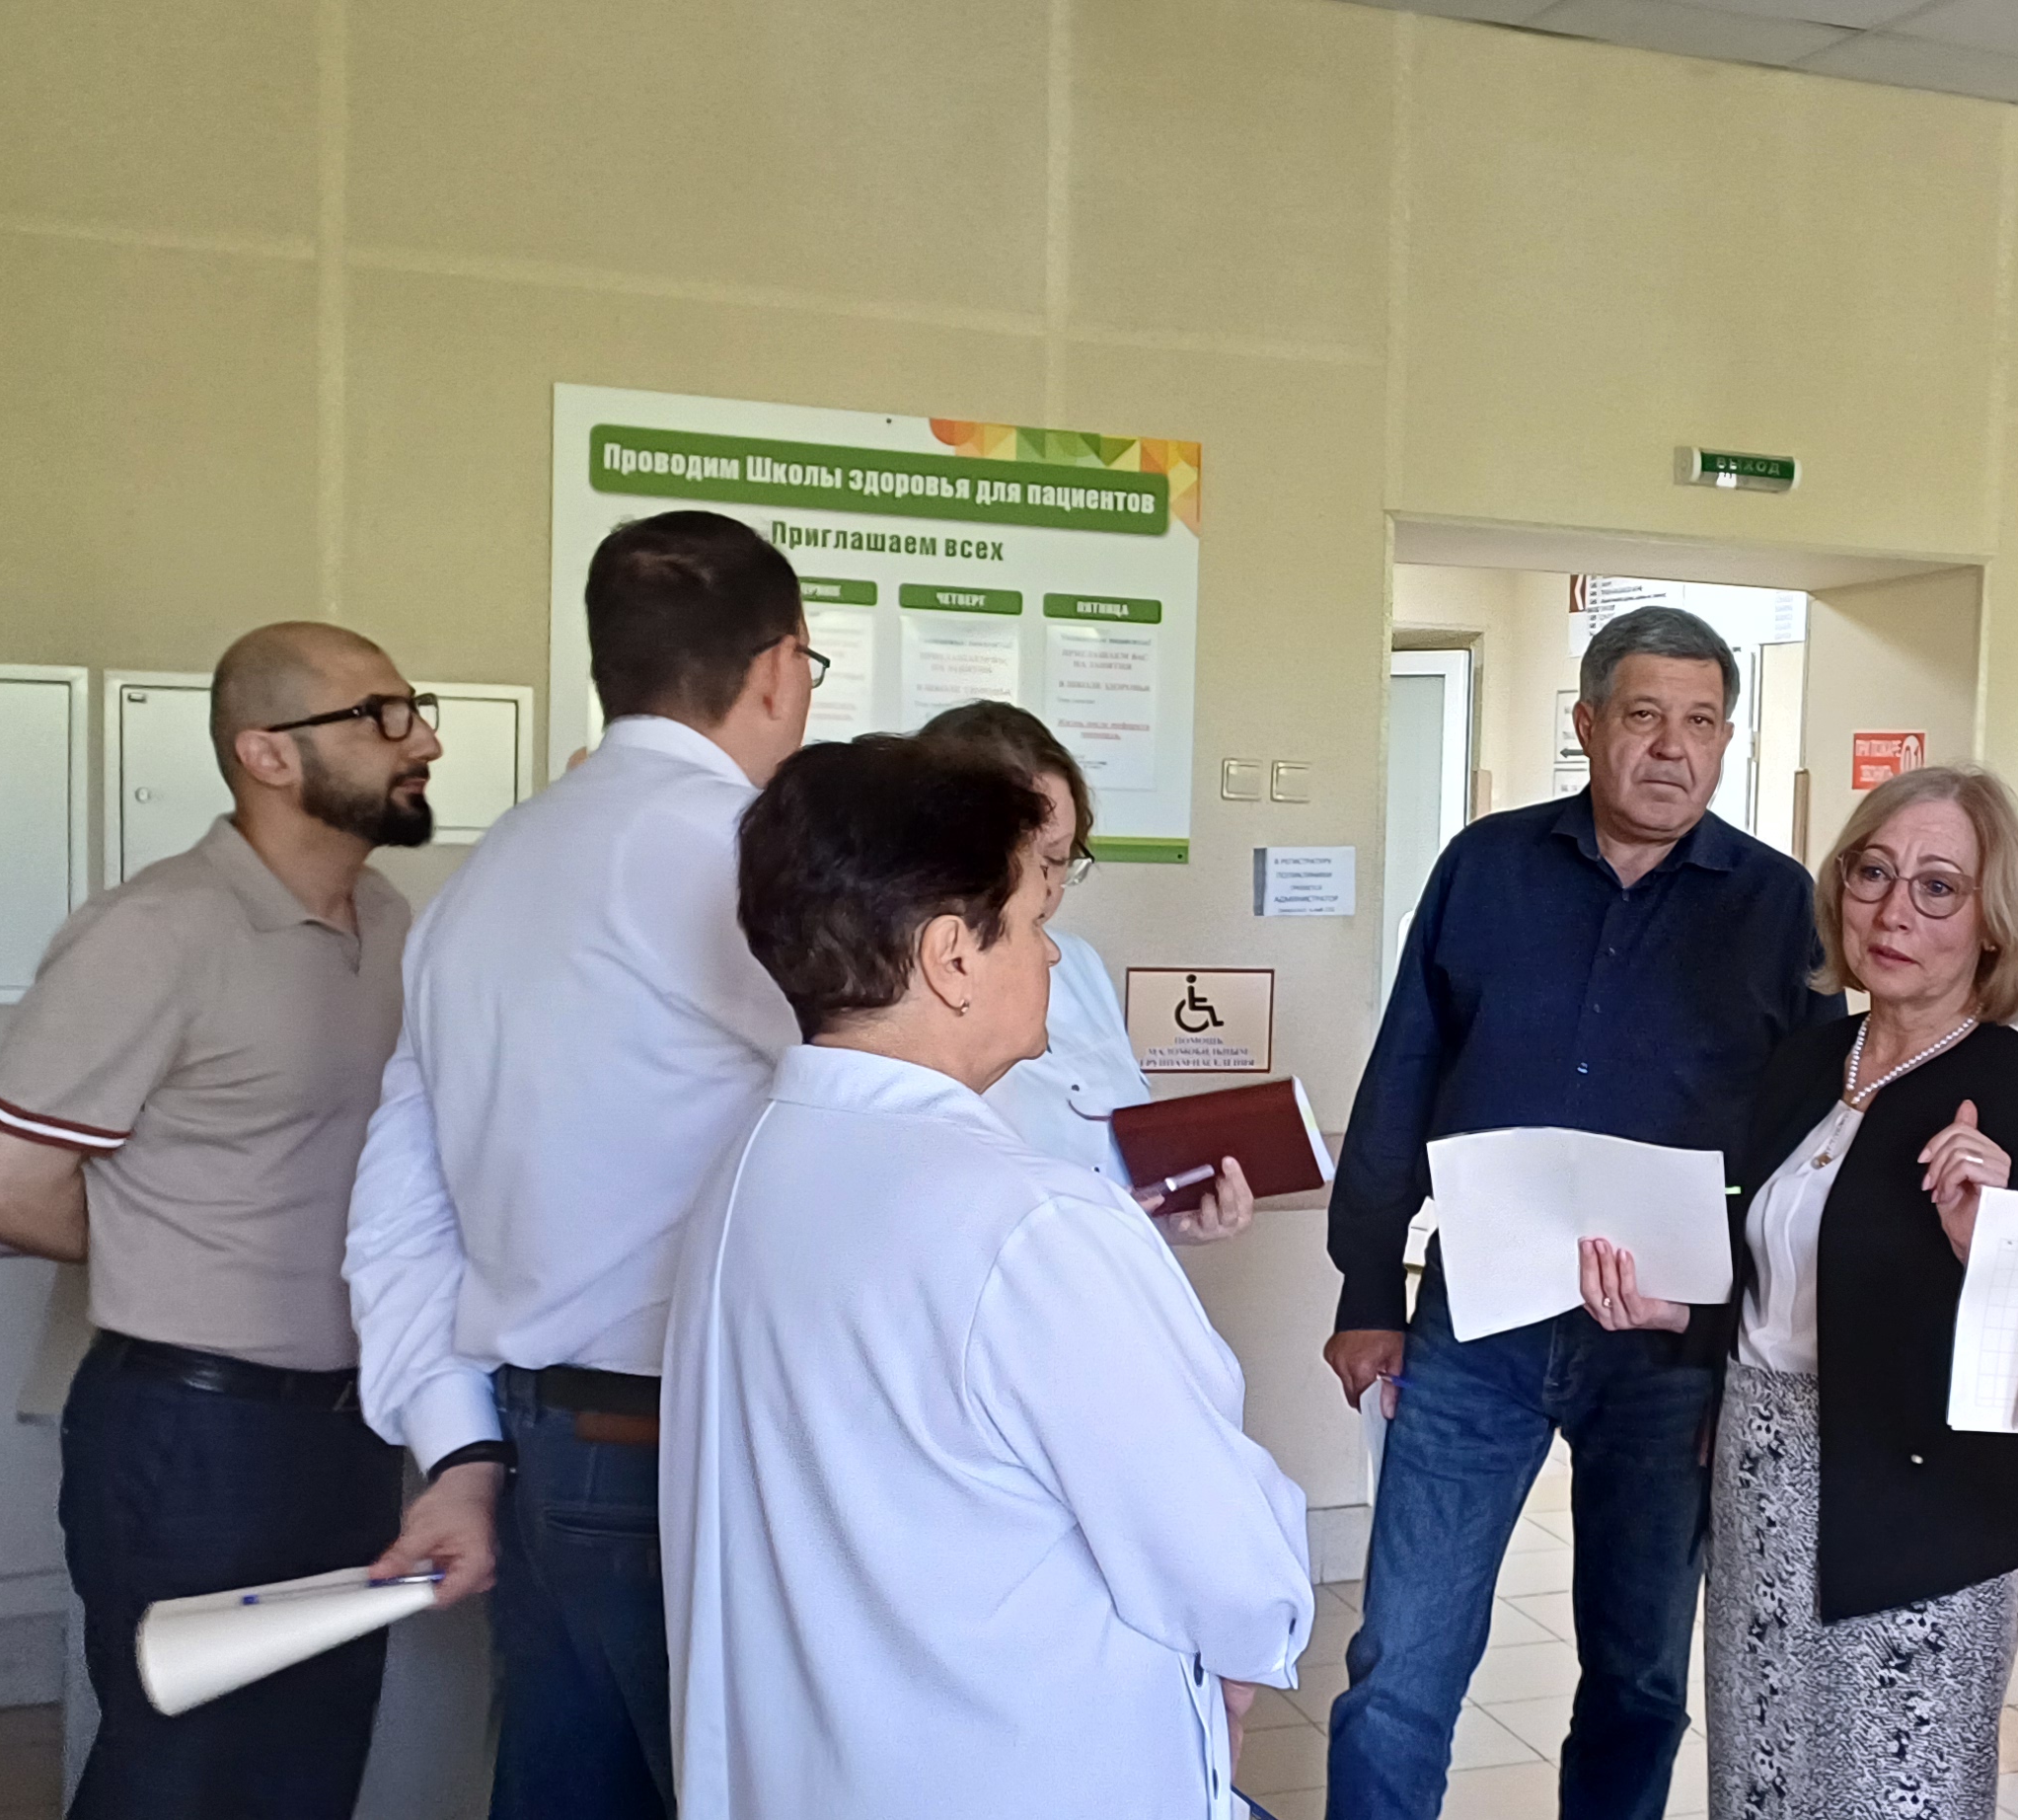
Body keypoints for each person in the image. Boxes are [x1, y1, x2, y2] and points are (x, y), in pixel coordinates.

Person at [663, 734, 1310, 1819]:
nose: (1051, 951)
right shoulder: (1032, 1221)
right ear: (951, 956)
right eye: (1028, 917)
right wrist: (1250, 1654)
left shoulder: (754, 1165)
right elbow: (1226, 1560)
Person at [1322, 605, 1841, 1820]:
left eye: (1701, 721)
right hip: (1478, 1321)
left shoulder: (1779, 906)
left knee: (1640, 1677)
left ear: (1726, 740)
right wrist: (1367, 1289)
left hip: (1668, 1351)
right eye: (1644, 715)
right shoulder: (1486, 867)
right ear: (1588, 723)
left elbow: (1807, 1149)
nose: (1672, 747)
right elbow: (1403, 1072)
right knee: (1400, 1663)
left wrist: (1743, 1349)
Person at [342, 509, 821, 1820]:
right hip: (695, 1453)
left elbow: (399, 1205)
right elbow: (899, 1113)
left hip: (540, 1452)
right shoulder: (736, 854)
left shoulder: (484, 875)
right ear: (781, 668)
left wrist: (459, 1452)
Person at [0, 622, 441, 1819]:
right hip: (194, 1436)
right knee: (184, 1776)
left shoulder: (390, 920)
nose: (420, 738)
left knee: (311, 1765)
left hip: (352, 1426)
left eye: (415, 708)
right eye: (379, 715)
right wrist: (183, 1244)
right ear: (266, 753)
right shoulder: (156, 930)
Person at [1574, 766, 2018, 1820]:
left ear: (1991, 923)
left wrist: (1992, 1246)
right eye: (1873, 873)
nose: (1894, 910)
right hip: (1760, 1482)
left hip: (1921, 1514)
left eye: (1938, 886)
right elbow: (1769, 1286)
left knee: (1887, 1794)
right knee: (1761, 1783)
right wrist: (1672, 1311)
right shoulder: (1801, 1065)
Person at [913, 700, 1252, 1243]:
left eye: (1061, 859)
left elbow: (1115, 1158)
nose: (1049, 886)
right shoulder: (903, 990)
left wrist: (1170, 1216)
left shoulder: (1079, 963)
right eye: (1036, 860)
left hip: (1101, 1265)